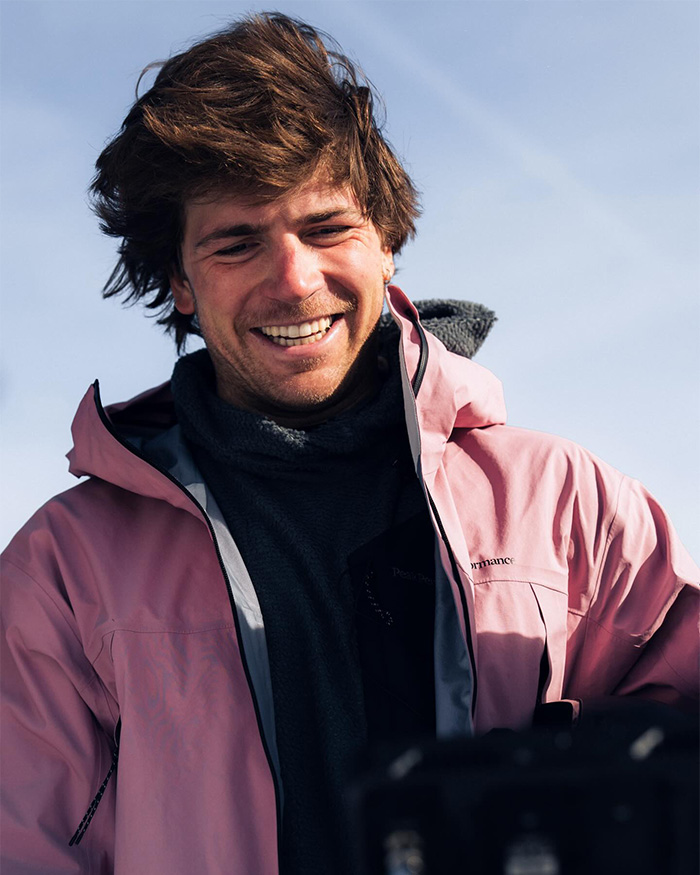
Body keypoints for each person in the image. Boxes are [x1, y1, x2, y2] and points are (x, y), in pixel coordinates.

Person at [1, 12, 697, 875]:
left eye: (327, 228)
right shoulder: (65, 571)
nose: (294, 279)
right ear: (180, 280)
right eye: (237, 243)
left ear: (387, 243)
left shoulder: (566, 506)